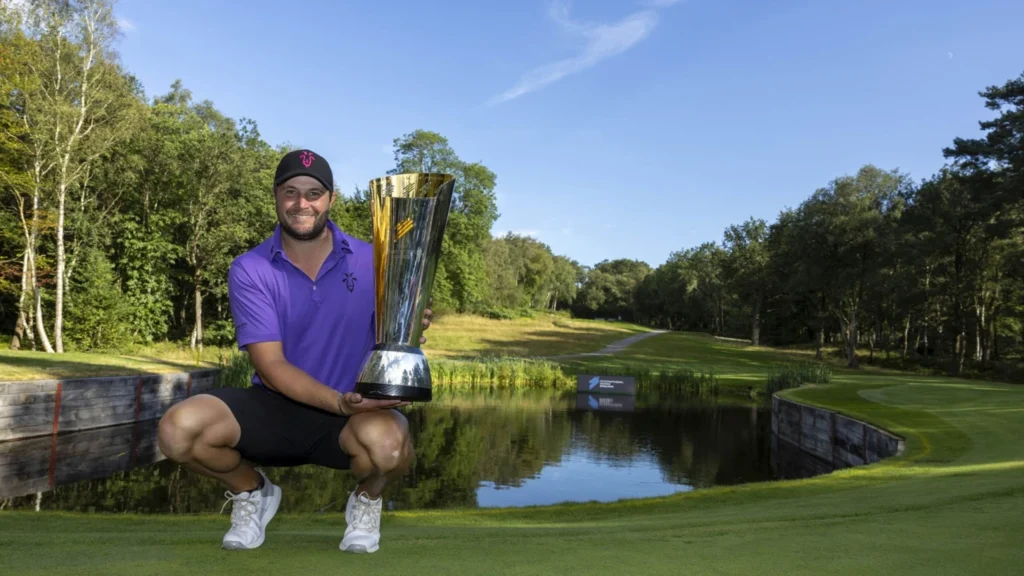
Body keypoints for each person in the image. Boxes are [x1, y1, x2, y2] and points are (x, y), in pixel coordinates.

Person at [157, 149, 429, 554]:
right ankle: (253, 492)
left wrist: (406, 329)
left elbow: (391, 336)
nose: (302, 203)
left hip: (355, 413)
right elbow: (271, 367)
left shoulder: (377, 260)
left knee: (389, 448)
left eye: (314, 193)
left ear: (330, 199)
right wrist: (338, 402)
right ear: (276, 197)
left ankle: (368, 499)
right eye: (291, 192)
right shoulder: (250, 268)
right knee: (177, 431)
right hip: (277, 406)